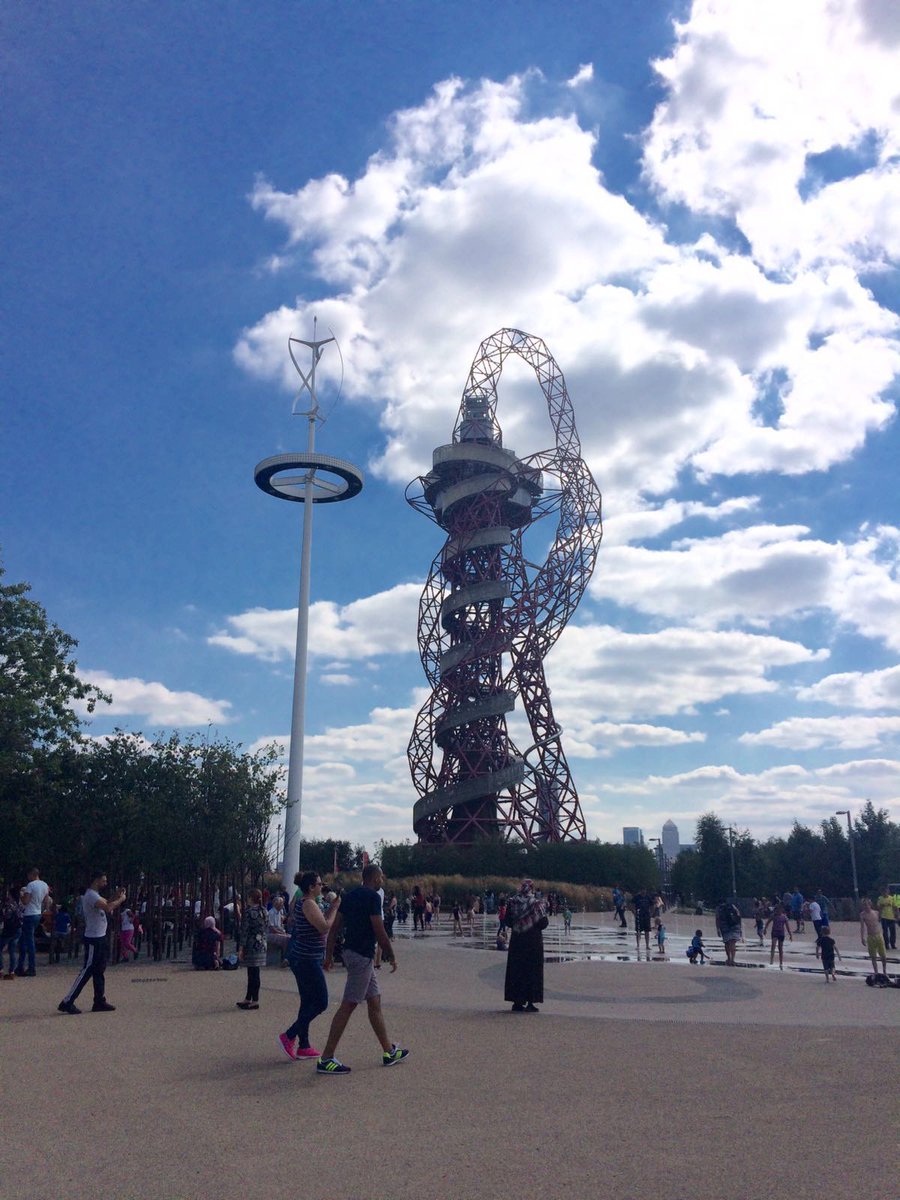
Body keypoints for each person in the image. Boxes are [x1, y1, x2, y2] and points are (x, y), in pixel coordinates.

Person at [316, 863, 407, 1075]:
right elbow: (379, 929)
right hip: (362, 956)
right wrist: (390, 954)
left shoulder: (350, 896)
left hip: (350, 952)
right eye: (381, 878)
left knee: (374, 1001)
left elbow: (335, 927)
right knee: (348, 1005)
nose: (382, 881)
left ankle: (388, 1051)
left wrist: (328, 956)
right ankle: (326, 1057)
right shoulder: (373, 898)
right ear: (375, 879)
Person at [279, 871, 341, 1061]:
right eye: (319, 884)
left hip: (305, 957)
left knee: (307, 1001)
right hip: (306, 959)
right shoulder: (307, 903)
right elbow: (324, 927)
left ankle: (303, 1045)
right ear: (311, 887)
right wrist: (336, 909)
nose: (322, 886)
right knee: (321, 1002)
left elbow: (321, 921)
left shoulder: (308, 903)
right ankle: (289, 1035)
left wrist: (332, 906)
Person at [58, 872, 126, 1014]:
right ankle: (67, 1001)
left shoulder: (95, 895)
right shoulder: (90, 895)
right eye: (104, 880)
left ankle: (99, 1001)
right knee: (87, 970)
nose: (105, 883)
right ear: (96, 880)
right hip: (93, 938)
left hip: (100, 936)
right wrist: (121, 900)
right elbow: (108, 907)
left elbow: (106, 902)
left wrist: (116, 895)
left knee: (99, 970)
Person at [503, 879, 547, 1012]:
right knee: (532, 971)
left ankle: (517, 1001)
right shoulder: (536, 904)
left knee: (517, 970)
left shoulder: (512, 902)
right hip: (533, 941)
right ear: (532, 889)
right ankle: (530, 1001)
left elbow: (508, 921)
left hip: (517, 940)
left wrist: (519, 924)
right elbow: (543, 923)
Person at [236, 888, 268, 1009]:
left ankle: (253, 999)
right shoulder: (264, 911)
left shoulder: (249, 912)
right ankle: (250, 998)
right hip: (261, 943)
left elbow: (245, 930)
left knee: (252, 973)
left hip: (251, 944)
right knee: (255, 972)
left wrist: (241, 947)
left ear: (250, 898)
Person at [16, 867, 50, 976]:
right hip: (37, 913)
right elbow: (46, 901)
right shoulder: (45, 885)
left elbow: (25, 901)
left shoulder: (30, 885)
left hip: (29, 914)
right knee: (24, 940)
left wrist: (21, 895)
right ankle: (20, 966)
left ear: (31, 875)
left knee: (29, 941)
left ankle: (31, 967)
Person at [859, 898, 887, 977]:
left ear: (870, 905)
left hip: (878, 935)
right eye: (864, 905)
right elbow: (862, 927)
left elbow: (880, 921)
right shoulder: (862, 914)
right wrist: (862, 937)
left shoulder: (876, 913)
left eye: (867, 905)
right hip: (870, 936)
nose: (866, 907)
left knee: (883, 956)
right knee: (873, 956)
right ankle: (876, 972)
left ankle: (885, 971)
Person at [1, 887, 22, 978]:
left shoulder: (9, 906)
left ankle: (0, 969)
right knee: (12, 950)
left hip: (9, 930)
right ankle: (12, 971)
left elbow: (6, 917)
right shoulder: (18, 905)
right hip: (18, 929)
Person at [716, 898, 743, 967]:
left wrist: (718, 929)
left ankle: (728, 958)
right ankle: (733, 959)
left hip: (724, 927)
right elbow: (739, 915)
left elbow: (717, 919)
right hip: (735, 925)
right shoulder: (732, 906)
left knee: (727, 943)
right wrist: (740, 927)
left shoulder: (719, 908)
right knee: (733, 943)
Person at [765, 903, 792, 969]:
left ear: (781, 910)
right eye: (777, 910)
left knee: (780, 948)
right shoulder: (773, 916)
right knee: (773, 946)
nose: (778, 911)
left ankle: (781, 962)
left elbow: (787, 927)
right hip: (774, 932)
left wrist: (790, 935)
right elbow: (768, 922)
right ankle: (771, 960)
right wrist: (765, 929)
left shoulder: (784, 917)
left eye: (779, 910)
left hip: (781, 933)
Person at [631, 886, 653, 956]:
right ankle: (638, 945)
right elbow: (631, 904)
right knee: (638, 931)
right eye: (642, 890)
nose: (643, 891)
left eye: (644, 890)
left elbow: (652, 905)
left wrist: (651, 913)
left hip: (646, 916)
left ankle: (647, 945)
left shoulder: (648, 897)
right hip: (639, 916)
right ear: (640, 890)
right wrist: (634, 912)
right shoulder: (637, 897)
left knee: (647, 931)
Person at [875, 884, 897, 951]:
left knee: (893, 931)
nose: (885, 893)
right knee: (885, 932)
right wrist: (879, 916)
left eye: (886, 891)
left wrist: (897, 915)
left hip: (891, 917)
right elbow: (878, 908)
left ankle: (893, 944)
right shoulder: (880, 899)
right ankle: (886, 944)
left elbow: (895, 907)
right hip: (884, 917)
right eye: (883, 892)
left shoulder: (892, 898)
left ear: (888, 891)